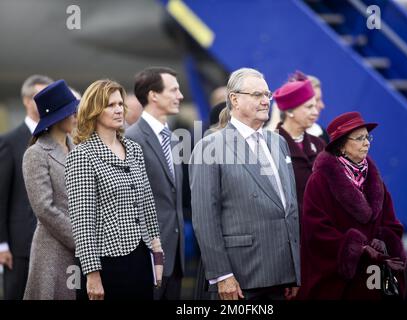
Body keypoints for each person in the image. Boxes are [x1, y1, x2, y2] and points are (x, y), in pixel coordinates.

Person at [190, 68, 300, 300]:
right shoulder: (210, 146)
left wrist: (294, 270)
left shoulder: (278, 142)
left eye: (267, 95)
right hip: (241, 277)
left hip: (281, 275)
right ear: (234, 99)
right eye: (257, 95)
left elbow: (289, 207)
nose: (265, 101)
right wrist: (222, 275)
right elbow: (204, 217)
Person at [65, 79, 163, 300]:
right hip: (106, 262)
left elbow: (147, 203)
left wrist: (157, 252)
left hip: (141, 255)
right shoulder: (82, 155)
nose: (119, 109)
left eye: (120, 104)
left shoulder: (134, 149)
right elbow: (82, 222)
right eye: (110, 105)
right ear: (94, 110)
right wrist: (92, 274)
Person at [298, 111, 407, 299]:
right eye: (359, 138)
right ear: (341, 146)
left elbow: (391, 222)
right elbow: (315, 231)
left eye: (367, 137)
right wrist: (356, 248)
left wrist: (384, 240)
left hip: (373, 277)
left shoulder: (375, 180)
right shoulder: (320, 181)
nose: (367, 143)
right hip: (338, 282)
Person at [127, 67, 185, 300]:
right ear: (153, 95)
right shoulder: (132, 139)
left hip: (176, 255)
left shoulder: (172, 138)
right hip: (148, 255)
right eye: (173, 90)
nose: (180, 96)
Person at [22, 80, 78, 299]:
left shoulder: (77, 149)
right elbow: (44, 208)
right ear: (56, 117)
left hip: (83, 253)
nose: (75, 115)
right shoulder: (36, 153)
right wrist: (80, 239)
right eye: (70, 111)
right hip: (53, 251)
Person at [0, 74, 53, 300]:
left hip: (52, 242)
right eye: (37, 97)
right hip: (19, 244)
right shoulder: (10, 141)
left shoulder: (57, 138)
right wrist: (2, 244)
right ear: (25, 100)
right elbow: (1, 196)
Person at [273, 78, 325, 214]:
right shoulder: (269, 145)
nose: (315, 112)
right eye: (309, 107)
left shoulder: (319, 144)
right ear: (290, 111)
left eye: (315, 105)